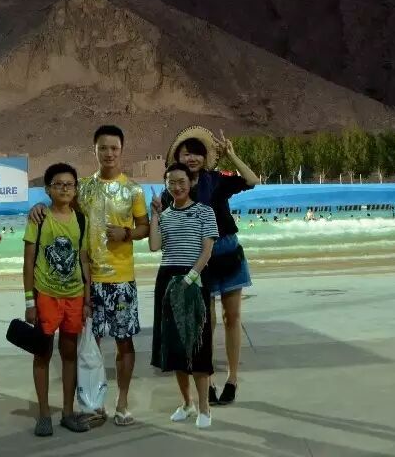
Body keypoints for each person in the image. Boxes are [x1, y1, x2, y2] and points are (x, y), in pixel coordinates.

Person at [29, 124, 149, 426]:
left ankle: (122, 403)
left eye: (114, 148)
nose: (109, 153)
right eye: (103, 148)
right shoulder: (82, 188)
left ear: (122, 150)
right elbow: (60, 205)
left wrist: (127, 233)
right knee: (85, 347)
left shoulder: (134, 190)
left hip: (121, 279)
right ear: (94, 150)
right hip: (87, 282)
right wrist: (38, 206)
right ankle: (92, 403)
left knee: (124, 343)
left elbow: (145, 227)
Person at [161, 126, 260, 406]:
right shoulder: (175, 188)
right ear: (178, 157)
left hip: (228, 252)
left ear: (205, 158)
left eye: (197, 153)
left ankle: (232, 379)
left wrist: (232, 154)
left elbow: (252, 180)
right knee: (207, 322)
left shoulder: (216, 181)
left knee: (232, 317)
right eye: (186, 153)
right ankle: (210, 377)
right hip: (199, 259)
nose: (192, 158)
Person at [23, 163, 92, 437]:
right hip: (46, 297)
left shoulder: (81, 220)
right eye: (58, 184)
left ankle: (67, 412)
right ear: (48, 189)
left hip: (74, 297)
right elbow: (28, 262)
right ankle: (43, 415)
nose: (64, 189)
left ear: (75, 189)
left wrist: (87, 300)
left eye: (69, 184)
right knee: (42, 353)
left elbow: (84, 261)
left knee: (69, 354)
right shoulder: (39, 218)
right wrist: (30, 301)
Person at [150, 162, 219, 428]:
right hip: (167, 279)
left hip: (194, 278)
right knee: (175, 345)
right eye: (171, 182)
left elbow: (207, 250)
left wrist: (190, 278)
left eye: (181, 181)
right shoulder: (165, 215)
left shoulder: (204, 211)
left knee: (198, 344)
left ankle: (204, 408)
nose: (177, 187)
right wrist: (155, 215)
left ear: (191, 183)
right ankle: (187, 403)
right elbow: (155, 246)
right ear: (166, 185)